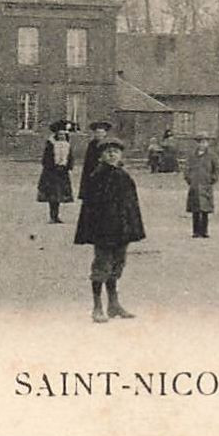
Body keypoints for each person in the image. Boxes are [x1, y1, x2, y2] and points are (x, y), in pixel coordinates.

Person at [74, 137, 145, 323]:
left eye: (116, 151)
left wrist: (133, 229)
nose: (112, 154)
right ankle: (97, 307)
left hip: (122, 230)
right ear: (101, 156)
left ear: (120, 154)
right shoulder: (97, 177)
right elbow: (90, 208)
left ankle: (113, 304)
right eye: (108, 152)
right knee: (102, 266)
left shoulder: (124, 176)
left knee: (117, 265)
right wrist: (94, 231)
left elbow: (132, 205)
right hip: (104, 230)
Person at [37, 120, 75, 224]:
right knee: (52, 195)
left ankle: (57, 216)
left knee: (59, 195)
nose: (62, 136)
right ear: (56, 135)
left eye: (64, 134)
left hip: (62, 173)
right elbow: (45, 159)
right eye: (60, 134)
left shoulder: (67, 145)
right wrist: (53, 167)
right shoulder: (51, 144)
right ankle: (52, 216)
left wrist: (67, 167)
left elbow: (70, 158)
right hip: (51, 173)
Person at [185, 130, 219, 238]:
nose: (203, 144)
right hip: (195, 185)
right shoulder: (192, 155)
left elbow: (217, 169)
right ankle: (196, 231)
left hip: (206, 185)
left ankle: (204, 231)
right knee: (195, 209)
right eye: (200, 142)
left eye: (205, 142)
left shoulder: (212, 156)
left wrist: (212, 179)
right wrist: (189, 179)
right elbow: (187, 168)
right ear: (197, 143)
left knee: (205, 209)